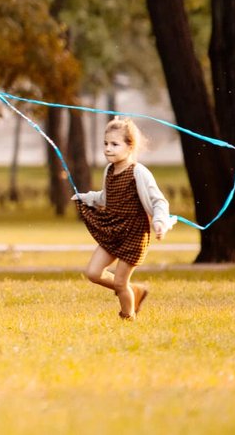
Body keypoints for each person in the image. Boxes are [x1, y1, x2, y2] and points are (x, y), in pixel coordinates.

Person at [72, 117, 174, 320]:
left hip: (134, 235)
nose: (108, 149)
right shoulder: (109, 170)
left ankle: (128, 318)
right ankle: (134, 291)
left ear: (130, 146)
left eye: (114, 144)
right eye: (106, 143)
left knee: (120, 283)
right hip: (113, 229)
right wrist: (85, 198)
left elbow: (158, 201)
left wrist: (160, 221)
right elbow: (105, 197)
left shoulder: (139, 172)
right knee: (93, 273)